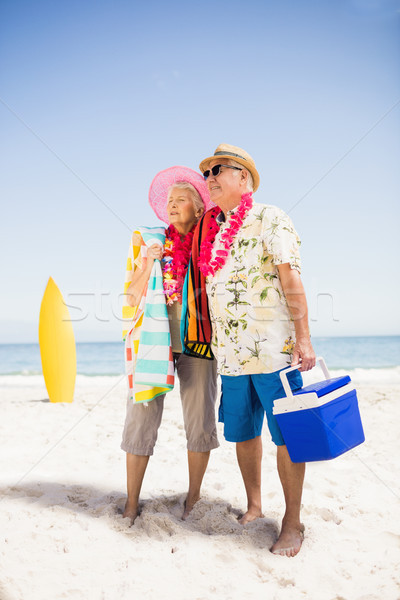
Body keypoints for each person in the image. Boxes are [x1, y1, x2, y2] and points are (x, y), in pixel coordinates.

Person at [188, 143, 316, 557]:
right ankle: (255, 506)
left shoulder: (271, 217)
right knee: (244, 434)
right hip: (231, 356)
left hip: (274, 352)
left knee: (288, 437)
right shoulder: (216, 230)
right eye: (207, 172)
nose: (209, 178)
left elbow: (290, 280)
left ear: (243, 178)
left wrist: (304, 337)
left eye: (219, 170)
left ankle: (293, 521)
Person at [121, 166, 218, 524]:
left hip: (199, 343)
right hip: (154, 343)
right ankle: (132, 502)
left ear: (197, 208)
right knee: (140, 418)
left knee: (200, 420)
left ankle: (193, 499)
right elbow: (131, 297)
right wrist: (151, 261)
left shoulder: (210, 240)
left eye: (181, 200)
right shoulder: (148, 242)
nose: (173, 206)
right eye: (170, 201)